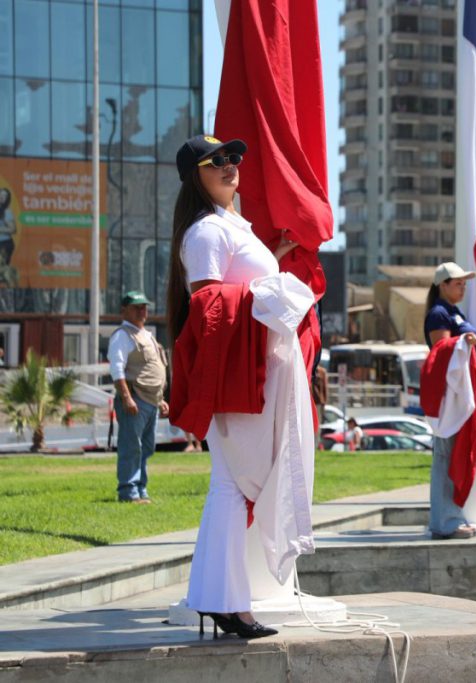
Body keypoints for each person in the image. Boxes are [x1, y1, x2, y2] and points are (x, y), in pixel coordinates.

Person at [168, 134, 310, 640]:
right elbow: (208, 308)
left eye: (233, 158)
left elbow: (230, 293)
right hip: (241, 375)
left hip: (258, 368)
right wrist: (270, 291)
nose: (230, 166)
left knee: (227, 487)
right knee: (233, 485)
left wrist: (270, 267)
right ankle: (228, 605)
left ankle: (220, 601)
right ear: (195, 175)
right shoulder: (206, 231)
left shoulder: (230, 225)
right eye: (216, 161)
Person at [423, 262, 476, 540]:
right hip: (449, 396)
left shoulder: (453, 312)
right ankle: (444, 521)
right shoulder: (438, 314)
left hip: (460, 391)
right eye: (457, 282)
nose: (463, 286)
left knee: (455, 456)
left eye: (464, 283)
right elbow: (440, 352)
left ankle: (452, 516)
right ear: (442, 285)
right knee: (446, 458)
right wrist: (463, 342)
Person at [108, 291, 169, 504]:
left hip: (150, 401)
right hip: (135, 400)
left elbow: (151, 368)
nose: (142, 310)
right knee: (131, 447)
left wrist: (160, 398)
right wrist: (126, 398)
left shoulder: (148, 335)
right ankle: (128, 491)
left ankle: (140, 488)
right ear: (124, 310)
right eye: (136, 307)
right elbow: (117, 370)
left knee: (147, 447)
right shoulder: (122, 336)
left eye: (144, 306)